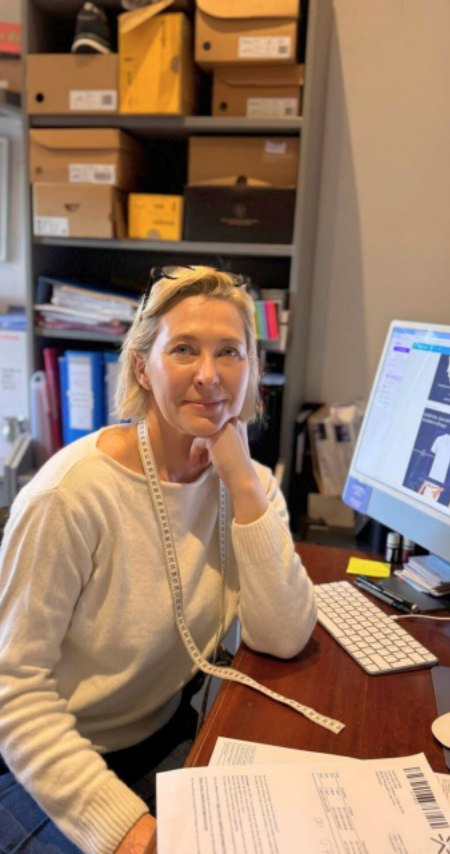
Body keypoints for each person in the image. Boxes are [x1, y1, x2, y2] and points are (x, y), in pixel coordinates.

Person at [0, 266, 317, 853]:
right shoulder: (69, 497)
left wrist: (243, 487)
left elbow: (283, 636)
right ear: (143, 367)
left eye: (230, 352)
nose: (209, 375)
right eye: (183, 350)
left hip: (158, 736)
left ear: (252, 369)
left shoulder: (247, 482)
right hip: (44, 763)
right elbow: (12, 690)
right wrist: (125, 831)